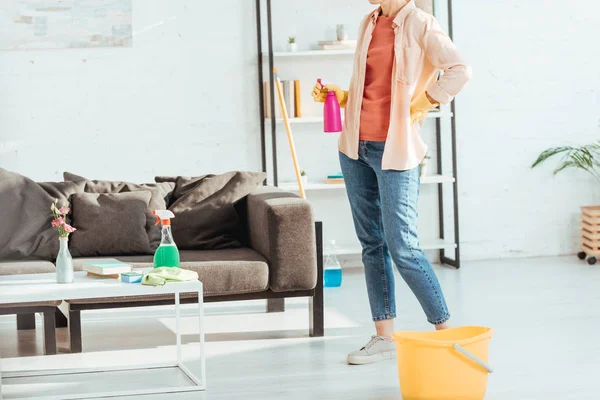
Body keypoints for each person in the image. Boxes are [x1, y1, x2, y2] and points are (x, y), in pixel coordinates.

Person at [312, 0, 471, 365]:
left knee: (405, 247)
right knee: (372, 243)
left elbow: (460, 70)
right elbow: (374, 87)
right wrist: (345, 96)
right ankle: (385, 338)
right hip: (354, 146)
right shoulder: (369, 22)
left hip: (395, 149)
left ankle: (447, 335)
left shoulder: (421, 23)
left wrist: (426, 101)